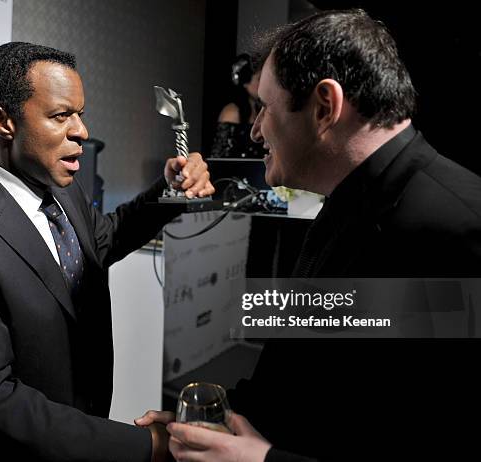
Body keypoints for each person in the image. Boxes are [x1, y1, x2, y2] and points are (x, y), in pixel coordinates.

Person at [139, 8, 481, 461]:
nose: (256, 130)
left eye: (264, 107)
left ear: (324, 107)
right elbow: (307, 377)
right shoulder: (341, 203)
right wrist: (216, 422)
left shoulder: (458, 232)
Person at [0, 42, 214, 462]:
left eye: (80, 114)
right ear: (2, 121)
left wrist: (168, 192)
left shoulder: (59, 189)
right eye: (60, 115)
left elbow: (104, 239)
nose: (82, 131)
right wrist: (146, 446)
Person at [210, 54, 266, 159]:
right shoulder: (231, 112)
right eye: (259, 79)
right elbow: (220, 158)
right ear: (245, 82)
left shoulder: (264, 109)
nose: (264, 83)